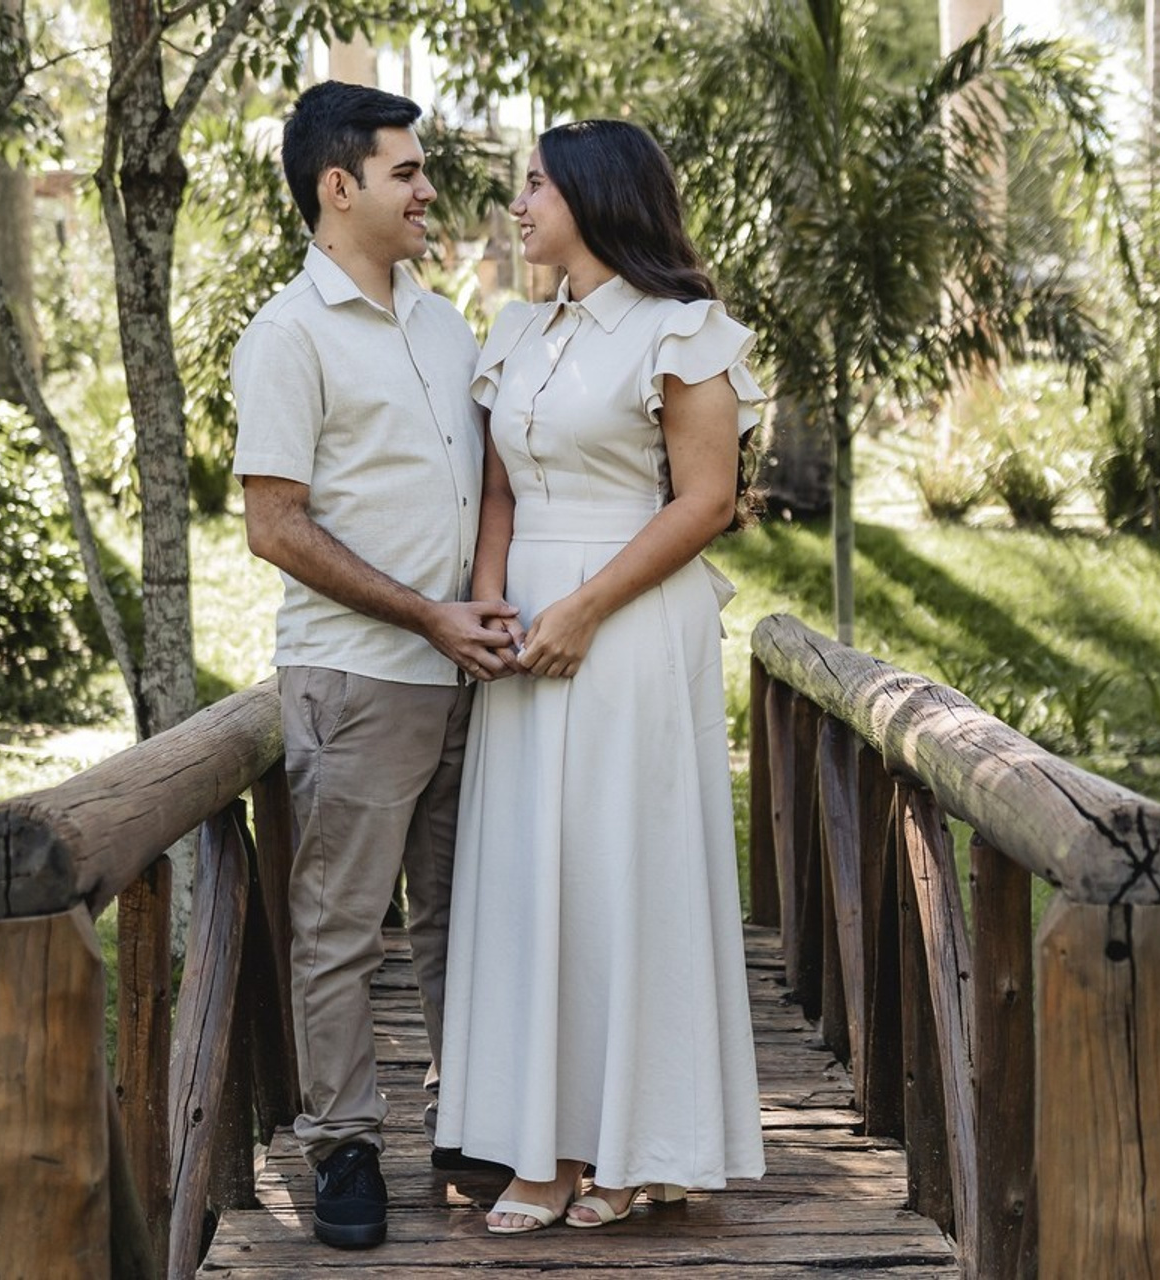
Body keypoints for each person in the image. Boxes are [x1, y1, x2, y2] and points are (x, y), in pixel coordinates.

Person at [433, 118, 767, 1234]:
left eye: (533, 185)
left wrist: (584, 606)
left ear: (592, 194)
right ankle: (542, 1142)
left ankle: (625, 1143)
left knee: (620, 873)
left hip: (626, 624)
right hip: (524, 623)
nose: (517, 204)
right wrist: (490, 606)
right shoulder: (517, 328)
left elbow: (703, 501)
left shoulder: (683, 333)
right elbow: (497, 493)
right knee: (531, 875)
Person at [230, 80, 519, 1251]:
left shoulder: (444, 323)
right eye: (407, 170)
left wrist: (477, 612)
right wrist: (423, 617)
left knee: (461, 915)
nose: (428, 188)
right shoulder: (284, 335)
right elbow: (276, 524)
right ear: (336, 186)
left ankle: (471, 1120)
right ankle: (344, 1143)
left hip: (468, 671)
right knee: (341, 924)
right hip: (358, 672)